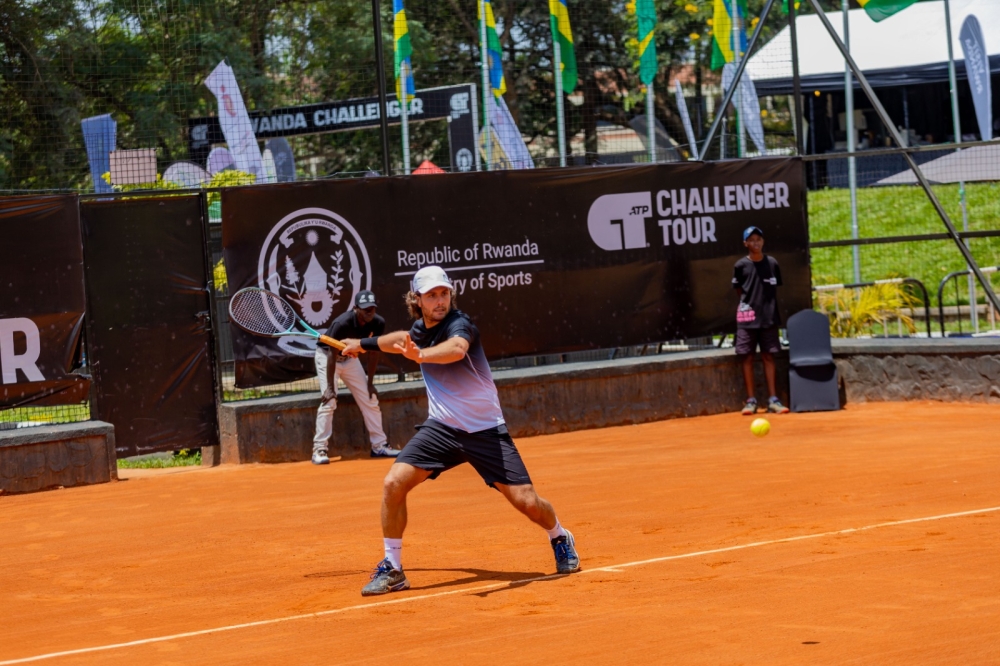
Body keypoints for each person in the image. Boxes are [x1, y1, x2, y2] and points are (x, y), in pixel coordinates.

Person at [340, 265, 580, 596]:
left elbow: (456, 349)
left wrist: (421, 356)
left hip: (485, 431)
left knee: (527, 502)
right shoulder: (418, 330)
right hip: (442, 429)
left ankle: (558, 535)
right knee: (393, 483)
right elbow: (399, 339)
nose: (440, 301)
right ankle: (393, 568)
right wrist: (362, 343)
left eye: (444, 293)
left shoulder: (459, 324)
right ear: (418, 300)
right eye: (432, 296)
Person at [312, 290, 400, 464]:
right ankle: (319, 449)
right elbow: (331, 354)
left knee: (370, 398)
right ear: (356, 308)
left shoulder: (378, 322)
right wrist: (330, 387)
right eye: (365, 309)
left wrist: (370, 383)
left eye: (372, 309)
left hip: (350, 359)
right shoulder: (341, 323)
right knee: (329, 401)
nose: (369, 312)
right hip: (327, 358)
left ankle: (380, 446)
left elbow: (374, 352)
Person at [732, 226, 790, 416]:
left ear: (763, 242)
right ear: (745, 243)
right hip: (747, 319)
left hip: (769, 318)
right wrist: (750, 307)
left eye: (759, 239)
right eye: (751, 240)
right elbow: (739, 291)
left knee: (768, 356)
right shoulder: (740, 266)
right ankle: (750, 401)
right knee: (747, 357)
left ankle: (773, 400)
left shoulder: (772, 263)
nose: (755, 242)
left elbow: (774, 289)